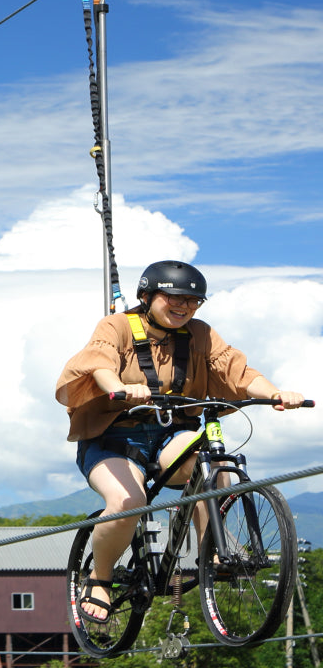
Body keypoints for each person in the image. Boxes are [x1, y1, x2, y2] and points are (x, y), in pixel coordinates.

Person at [55, 259, 304, 624]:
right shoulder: (118, 326)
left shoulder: (199, 334)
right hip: (114, 437)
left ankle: (213, 553)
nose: (183, 306)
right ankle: (99, 579)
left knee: (210, 464)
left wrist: (276, 394)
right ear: (147, 296)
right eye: (174, 297)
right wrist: (120, 389)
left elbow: (236, 371)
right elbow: (99, 363)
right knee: (130, 501)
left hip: (170, 432)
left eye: (192, 301)